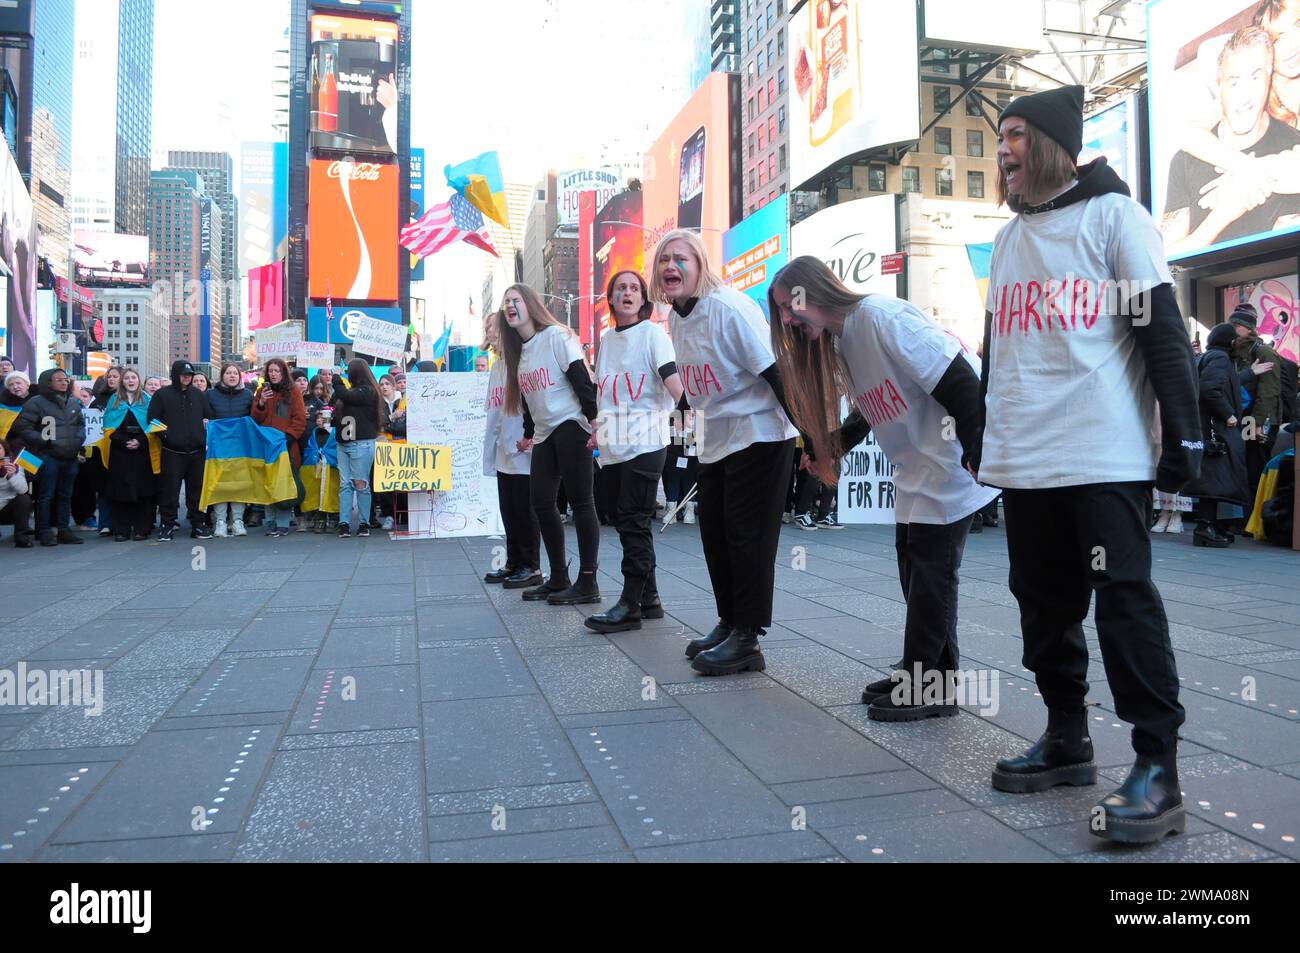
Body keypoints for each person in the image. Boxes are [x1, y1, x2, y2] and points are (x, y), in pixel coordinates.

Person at [975, 86, 1202, 843]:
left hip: (1101, 454)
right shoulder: (1009, 238)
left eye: (1012, 135)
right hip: (1026, 457)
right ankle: (1067, 736)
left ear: (1047, 142)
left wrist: (1186, 439)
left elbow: (1161, 332)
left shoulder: (1114, 217)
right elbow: (997, 350)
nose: (1001, 150)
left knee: (1123, 602)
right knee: (1042, 605)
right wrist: (987, 438)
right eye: (998, 136)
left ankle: (1156, 768)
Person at [770, 256, 998, 718]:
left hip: (949, 461)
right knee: (914, 566)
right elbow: (874, 408)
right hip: (919, 465)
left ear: (815, 290)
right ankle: (934, 677)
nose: (788, 320)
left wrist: (976, 449)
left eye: (790, 307)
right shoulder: (844, 341)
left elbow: (958, 376)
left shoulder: (879, 318)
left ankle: (923, 682)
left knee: (931, 573)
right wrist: (834, 445)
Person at [650, 229, 798, 676]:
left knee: (746, 538)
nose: (671, 267)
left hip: (760, 432)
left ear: (700, 266)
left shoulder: (729, 309)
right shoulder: (676, 318)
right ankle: (730, 621)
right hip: (715, 437)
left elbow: (777, 373)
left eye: (681, 259)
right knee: (713, 533)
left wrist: (812, 437)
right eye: (664, 260)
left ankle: (748, 639)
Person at [585, 270, 683, 633]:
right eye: (620, 288)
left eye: (634, 288)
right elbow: (606, 392)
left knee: (633, 520)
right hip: (613, 443)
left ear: (643, 299)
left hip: (645, 441)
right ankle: (650, 598)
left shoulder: (653, 335)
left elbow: (675, 383)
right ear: (610, 299)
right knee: (622, 517)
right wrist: (597, 430)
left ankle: (630, 604)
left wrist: (692, 419)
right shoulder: (607, 339)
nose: (627, 293)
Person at [500, 284, 602, 605]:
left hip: (572, 425)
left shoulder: (557, 336)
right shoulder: (519, 353)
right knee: (541, 502)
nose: (509, 306)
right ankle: (558, 576)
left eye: (515, 300)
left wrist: (595, 421)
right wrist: (529, 432)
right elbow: (531, 400)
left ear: (531, 304)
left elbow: (581, 381)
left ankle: (588, 582)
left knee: (581, 502)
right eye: (506, 304)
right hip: (544, 434)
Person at [1162, 27, 1300, 256]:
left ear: (1269, 78)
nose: (1244, 96)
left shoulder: (1290, 145)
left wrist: (1249, 174)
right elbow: (1162, 257)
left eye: (1255, 78)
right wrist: (1223, 213)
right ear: (1219, 85)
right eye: (1234, 82)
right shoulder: (1186, 160)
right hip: (1201, 290)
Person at [480, 311, 542, 590]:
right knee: (508, 509)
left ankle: (531, 566)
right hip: (504, 447)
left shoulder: (522, 362)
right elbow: (493, 413)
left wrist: (530, 435)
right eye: (487, 328)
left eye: (493, 327)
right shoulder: (498, 366)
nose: (490, 332)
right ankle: (514, 562)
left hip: (523, 447)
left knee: (524, 509)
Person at [1186, 323, 1251, 547]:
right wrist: (1229, 415)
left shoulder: (1205, 357)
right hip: (1218, 429)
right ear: (1230, 342)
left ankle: (1210, 526)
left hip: (1205, 427)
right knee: (1216, 477)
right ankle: (1206, 527)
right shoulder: (1221, 359)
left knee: (1211, 478)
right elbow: (1210, 390)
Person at [14, 368, 86, 546]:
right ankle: (44, 530)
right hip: (48, 456)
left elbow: (80, 426)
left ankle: (63, 529)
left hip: (70, 456)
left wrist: (78, 441)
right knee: (46, 495)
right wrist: (44, 442)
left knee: (65, 495)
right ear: (48, 383)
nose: (64, 382)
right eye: (59, 379)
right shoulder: (36, 403)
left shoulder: (73, 403)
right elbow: (23, 427)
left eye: (65, 379)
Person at [148, 360, 214, 541]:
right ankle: (167, 525)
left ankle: (198, 525)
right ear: (175, 375)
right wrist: (166, 437)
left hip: (196, 452)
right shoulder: (162, 395)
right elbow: (152, 420)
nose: (187, 377)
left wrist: (206, 427)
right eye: (184, 374)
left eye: (190, 375)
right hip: (172, 452)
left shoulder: (198, 395)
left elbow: (209, 416)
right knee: (169, 491)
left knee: (197, 491)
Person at [1228, 303, 1284, 500]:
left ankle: (1256, 521)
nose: (1232, 329)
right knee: (1242, 468)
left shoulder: (1263, 352)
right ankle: (1242, 521)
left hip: (1256, 418)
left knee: (1255, 469)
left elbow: (1269, 393)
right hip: (1242, 417)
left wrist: (1259, 423)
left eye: (1236, 325)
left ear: (1249, 328)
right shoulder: (1233, 352)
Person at [252, 357, 307, 537]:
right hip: (266, 446)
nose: (273, 374)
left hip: (285, 446)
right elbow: (255, 419)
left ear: (283, 373)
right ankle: (270, 522)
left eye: (277, 371)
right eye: (271, 371)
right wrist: (261, 403)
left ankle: (283, 522)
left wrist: (288, 438)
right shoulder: (262, 391)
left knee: (283, 483)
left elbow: (299, 420)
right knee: (268, 483)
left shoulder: (293, 392)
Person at [102, 368, 157, 541]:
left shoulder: (147, 400)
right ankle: (121, 529)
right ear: (122, 381)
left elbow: (153, 425)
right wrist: (122, 441)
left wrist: (140, 441)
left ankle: (142, 528)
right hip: (120, 452)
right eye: (127, 378)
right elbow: (108, 426)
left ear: (139, 381)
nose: (130, 381)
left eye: (133, 377)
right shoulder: (114, 401)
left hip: (142, 452)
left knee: (144, 491)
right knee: (120, 490)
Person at [331, 358, 384, 538]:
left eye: (348, 371)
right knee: (345, 484)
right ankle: (344, 523)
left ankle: (364, 523)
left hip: (361, 442)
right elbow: (343, 402)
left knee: (361, 484)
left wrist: (336, 378)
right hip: (344, 442)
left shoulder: (368, 392)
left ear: (355, 373)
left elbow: (346, 396)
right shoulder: (353, 392)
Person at [206, 363, 254, 537]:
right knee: (220, 484)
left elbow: (253, 417)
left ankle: (238, 520)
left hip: (240, 447)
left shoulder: (248, 395)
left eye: (235, 373)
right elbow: (206, 415)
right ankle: (220, 521)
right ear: (222, 376)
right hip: (218, 447)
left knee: (238, 484)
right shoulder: (210, 394)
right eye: (228, 373)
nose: (232, 376)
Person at [374, 373, 407, 530]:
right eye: (382, 384)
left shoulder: (404, 401)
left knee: (403, 481)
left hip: (402, 445)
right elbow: (376, 425)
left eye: (387, 383)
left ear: (394, 386)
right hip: (383, 447)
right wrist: (393, 417)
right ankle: (389, 515)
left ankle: (404, 514)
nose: (384, 386)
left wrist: (387, 424)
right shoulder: (377, 403)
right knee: (386, 482)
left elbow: (405, 426)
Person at [0, 436, 34, 547]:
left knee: (24, 499)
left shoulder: (14, 464)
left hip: (7, 509)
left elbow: (23, 490)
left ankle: (21, 537)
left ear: (4, 450)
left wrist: (12, 475)